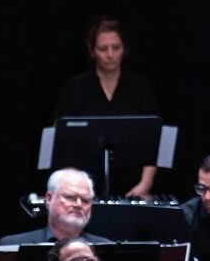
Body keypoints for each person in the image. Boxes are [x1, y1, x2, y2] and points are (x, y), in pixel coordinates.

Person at [52, 17, 158, 199]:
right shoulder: (75, 87)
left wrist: (145, 184)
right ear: (92, 51)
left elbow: (156, 138)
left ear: (124, 49)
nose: (110, 54)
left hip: (132, 187)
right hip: (84, 187)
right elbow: (59, 138)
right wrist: (74, 184)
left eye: (116, 48)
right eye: (103, 49)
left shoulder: (139, 87)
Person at [0, 169, 110, 248]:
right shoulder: (12, 245)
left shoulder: (105, 247)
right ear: (49, 199)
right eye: (70, 197)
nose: (78, 204)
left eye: (85, 200)